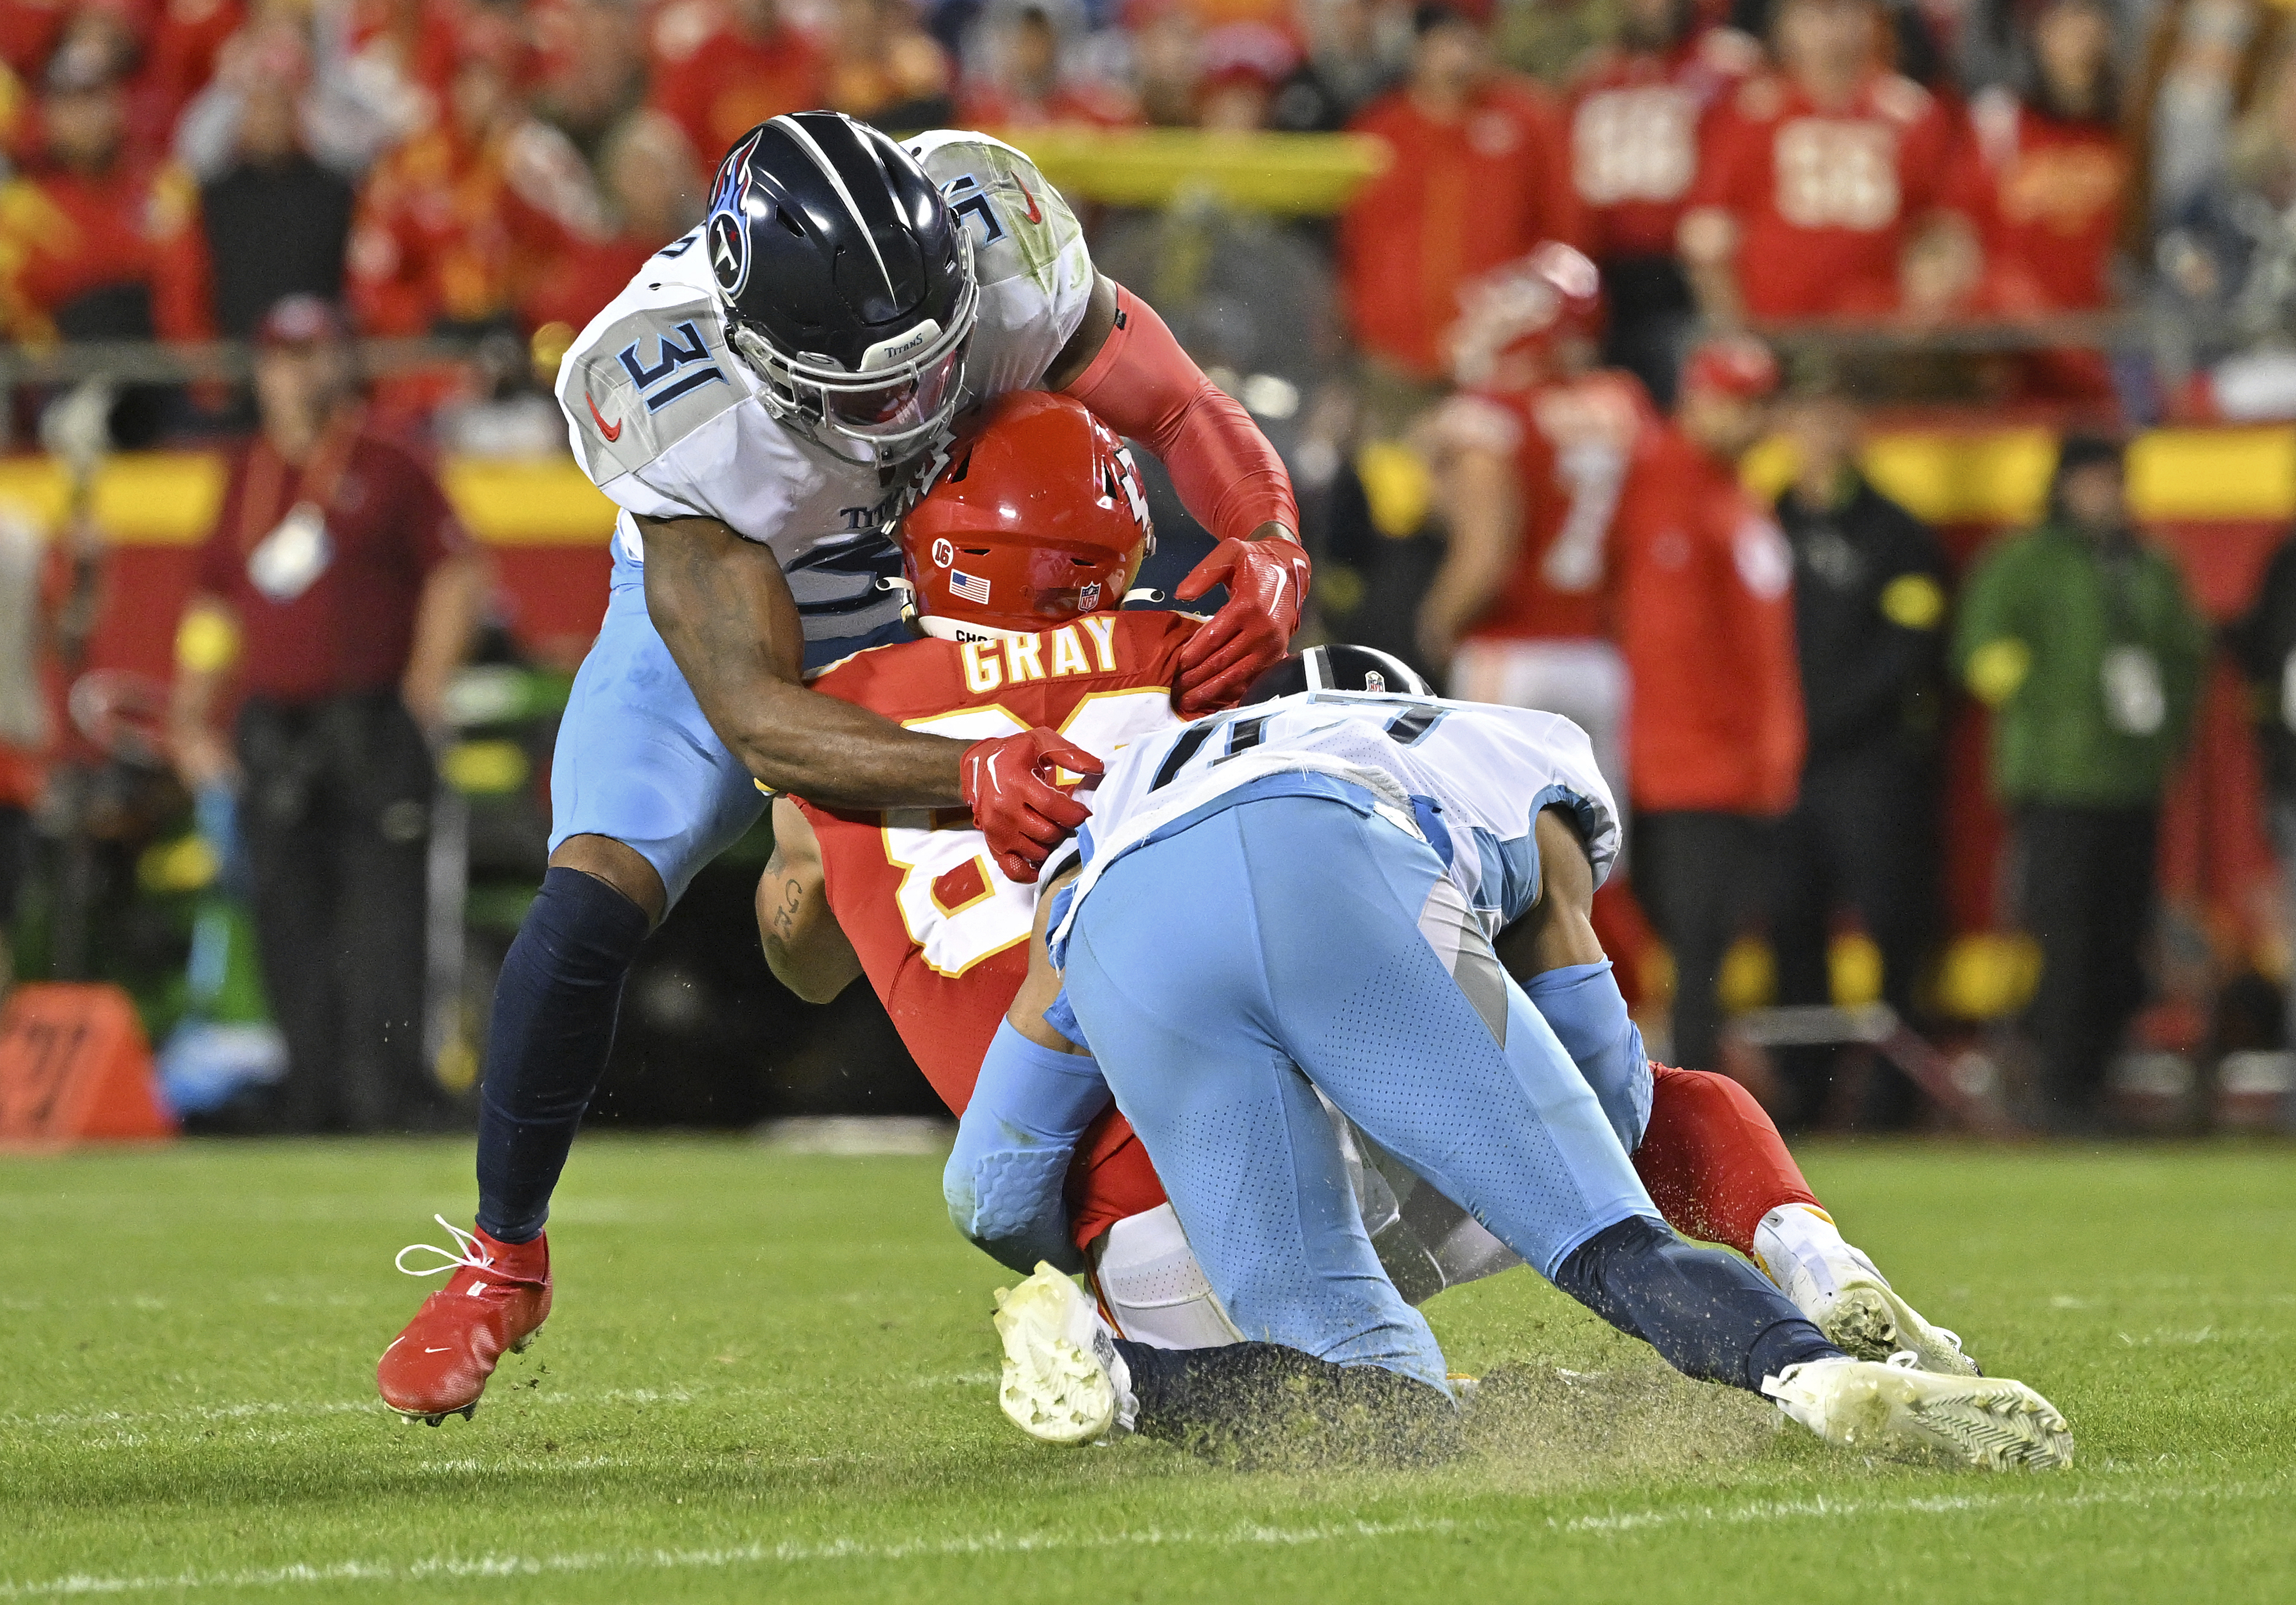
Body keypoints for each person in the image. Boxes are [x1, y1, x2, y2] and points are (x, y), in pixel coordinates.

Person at [376, 112, 1311, 1424]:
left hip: (969, 583)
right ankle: (500, 1258)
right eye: (869, 397)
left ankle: (1156, 1245)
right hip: (763, 624)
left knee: (1079, 891)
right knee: (595, 895)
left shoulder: (1000, 238)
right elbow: (759, 717)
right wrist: (961, 768)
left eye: (933, 366)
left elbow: (1175, 403)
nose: (917, 410)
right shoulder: (663, 391)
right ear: (757, 350)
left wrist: (1265, 534)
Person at [769, 393, 1977, 1370]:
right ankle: (1809, 1256)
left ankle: (1140, 1374)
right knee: (1626, 1113)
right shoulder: (1210, 655)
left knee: (1154, 1275)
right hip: (1326, 1101)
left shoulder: (831, 728)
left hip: (1117, 1190)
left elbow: (807, 957)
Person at [967, 647, 2071, 1469]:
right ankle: (1810, 1367)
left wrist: (1072, 1257)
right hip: (1336, 859)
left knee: (1380, 1405)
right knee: (1607, 1235)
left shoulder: (1117, 796)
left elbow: (990, 1187)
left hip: (1125, 933)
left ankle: (1123, 1379)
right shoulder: (1499, 743)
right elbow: (1608, 1084)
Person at [167, 295, 491, 1134]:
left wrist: (421, 693)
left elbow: (456, 575)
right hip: (275, 725)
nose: (297, 373)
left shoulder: (389, 463)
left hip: (370, 718)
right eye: (282, 356)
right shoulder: (245, 474)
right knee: (290, 916)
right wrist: (194, 710)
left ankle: (389, 1095)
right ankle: (312, 1094)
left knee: (386, 917)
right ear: (262, 369)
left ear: (342, 362)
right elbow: (217, 602)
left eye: (313, 354)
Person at [1953, 435, 2209, 1132]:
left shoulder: (2151, 566)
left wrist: (2164, 740)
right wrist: (2047, 710)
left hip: (2132, 779)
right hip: (2057, 781)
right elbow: (1981, 649)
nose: (2106, 496)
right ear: (2064, 486)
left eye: (2114, 482)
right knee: (2064, 934)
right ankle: (2058, 1083)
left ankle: (2097, 1079)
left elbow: (2185, 658)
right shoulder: (2027, 562)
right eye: (2093, 481)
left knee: (2120, 938)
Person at [1615, 335, 1803, 1079]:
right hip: (1692, 764)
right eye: (1738, 403)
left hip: (1739, 765)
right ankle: (1690, 1113)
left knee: (1715, 951)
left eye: (1760, 405)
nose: (1752, 421)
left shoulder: (1733, 492)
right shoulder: (1670, 488)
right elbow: (1673, 648)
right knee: (1694, 951)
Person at [1768, 384, 1949, 1128]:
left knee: (1892, 919)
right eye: (1802, 418)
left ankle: (1894, 1091)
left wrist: (1823, 719)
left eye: (1830, 417)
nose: (1816, 434)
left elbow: (1911, 647)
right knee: (1790, 921)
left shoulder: (1898, 533)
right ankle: (1804, 1091)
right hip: (1782, 764)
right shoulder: (1758, 523)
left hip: (1869, 763)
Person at [1417, 243, 1650, 801]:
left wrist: (1437, 622)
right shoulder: (1621, 405)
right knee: (1595, 860)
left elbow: (1485, 556)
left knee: (1496, 854)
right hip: (1598, 655)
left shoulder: (1491, 416)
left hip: (1511, 651)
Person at [1339, 0, 1583, 400]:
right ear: (1418, 48)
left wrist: (1557, 333)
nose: (1460, 55)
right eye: (1446, 41)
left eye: (1472, 39)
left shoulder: (1528, 121)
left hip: (1503, 357)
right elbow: (1353, 246)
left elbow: (1564, 236)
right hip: (1395, 356)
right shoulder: (1379, 130)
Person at [1679, 0, 1974, 325]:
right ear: (1786, 26)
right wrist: (1736, 335)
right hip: (1777, 333)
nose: (1835, 30)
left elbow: (1944, 227)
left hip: (1883, 337)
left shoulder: (1912, 115)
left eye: (1850, 11)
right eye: (1819, 14)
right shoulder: (1752, 115)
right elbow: (1706, 235)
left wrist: (1930, 295)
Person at [1564, 0, 1757, 402]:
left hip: (1687, 270)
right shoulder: (1594, 77)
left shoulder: (1727, 69)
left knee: (1686, 393)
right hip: (1606, 272)